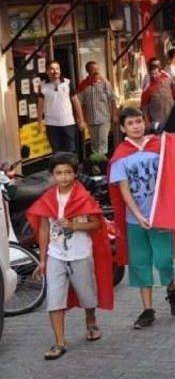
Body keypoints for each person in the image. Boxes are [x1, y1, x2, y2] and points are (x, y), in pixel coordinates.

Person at [27, 152, 113, 360]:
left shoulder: (84, 197)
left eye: (67, 173)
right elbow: (44, 229)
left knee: (87, 295)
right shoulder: (48, 198)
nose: (63, 177)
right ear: (52, 175)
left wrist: (74, 225)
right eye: (58, 173)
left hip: (80, 254)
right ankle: (59, 342)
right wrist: (43, 260)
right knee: (54, 299)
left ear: (75, 174)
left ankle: (91, 321)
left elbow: (96, 223)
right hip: (55, 254)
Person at [109, 108, 175, 328]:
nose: (136, 126)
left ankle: (171, 288)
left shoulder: (159, 147)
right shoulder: (120, 156)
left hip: (160, 216)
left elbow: (174, 172)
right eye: (131, 123)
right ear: (123, 128)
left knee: (163, 259)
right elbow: (123, 190)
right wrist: (138, 215)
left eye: (139, 121)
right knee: (140, 263)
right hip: (135, 220)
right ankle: (147, 310)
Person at [36, 60, 87, 153]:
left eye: (57, 68)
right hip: (51, 124)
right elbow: (40, 105)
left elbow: (76, 102)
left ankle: (71, 168)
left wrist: (81, 120)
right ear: (47, 71)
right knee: (57, 152)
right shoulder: (42, 85)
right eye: (52, 69)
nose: (55, 71)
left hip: (68, 123)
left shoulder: (67, 83)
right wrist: (39, 122)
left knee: (70, 150)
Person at [77, 61, 118, 155]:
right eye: (93, 69)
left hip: (104, 118)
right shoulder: (83, 85)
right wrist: (81, 120)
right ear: (88, 71)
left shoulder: (105, 83)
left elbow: (112, 99)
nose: (96, 71)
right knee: (94, 143)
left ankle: (102, 163)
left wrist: (114, 115)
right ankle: (96, 163)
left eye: (97, 69)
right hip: (91, 120)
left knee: (103, 142)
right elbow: (79, 103)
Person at [141, 64, 174, 131]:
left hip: (170, 117)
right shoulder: (148, 88)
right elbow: (143, 105)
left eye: (156, 73)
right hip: (157, 120)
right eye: (152, 74)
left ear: (160, 73)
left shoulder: (168, 81)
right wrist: (147, 122)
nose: (154, 76)